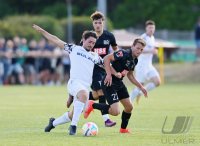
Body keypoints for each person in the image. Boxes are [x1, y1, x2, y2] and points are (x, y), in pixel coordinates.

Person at [84, 38, 148, 133]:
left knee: (129, 107)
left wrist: (141, 87)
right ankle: (92, 104)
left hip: (119, 83)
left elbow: (130, 76)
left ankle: (123, 129)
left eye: (141, 50)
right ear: (132, 46)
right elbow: (106, 59)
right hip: (109, 83)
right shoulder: (123, 53)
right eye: (138, 48)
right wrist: (109, 74)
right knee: (115, 112)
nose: (139, 51)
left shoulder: (135, 60)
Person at [67, 11, 118, 127]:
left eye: (100, 22)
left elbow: (115, 50)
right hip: (91, 70)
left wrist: (117, 62)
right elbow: (78, 54)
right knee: (101, 91)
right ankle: (106, 120)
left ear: (103, 23)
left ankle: (82, 99)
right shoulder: (88, 38)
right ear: (93, 24)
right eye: (96, 23)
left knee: (95, 95)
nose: (98, 25)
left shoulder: (109, 36)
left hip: (102, 68)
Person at [130, 20, 161, 104]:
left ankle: (141, 92)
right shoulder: (143, 38)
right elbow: (139, 50)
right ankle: (129, 102)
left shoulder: (152, 38)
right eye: (149, 28)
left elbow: (152, 50)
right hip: (141, 65)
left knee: (157, 82)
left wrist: (154, 52)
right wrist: (151, 51)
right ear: (146, 28)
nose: (151, 29)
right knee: (139, 85)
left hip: (149, 65)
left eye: (152, 28)